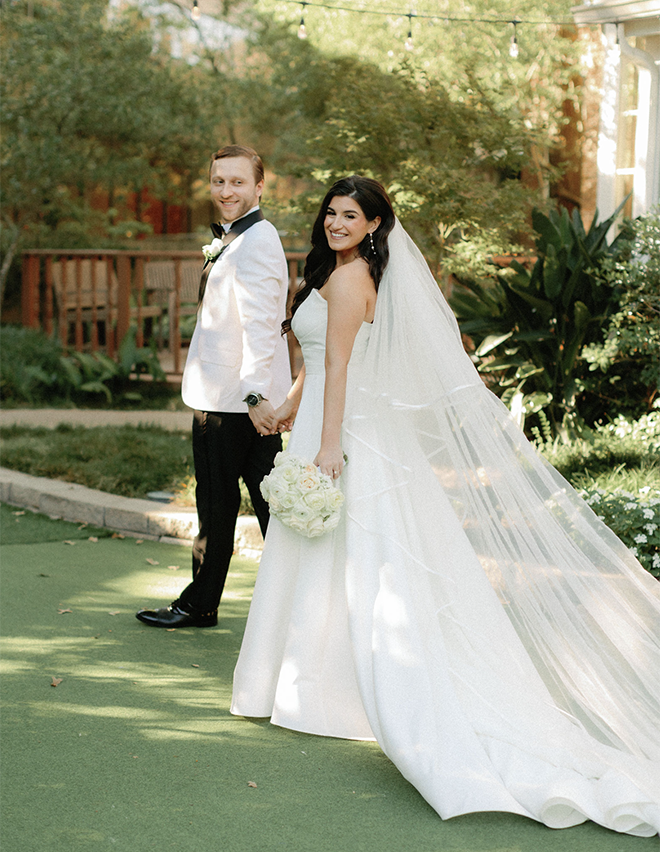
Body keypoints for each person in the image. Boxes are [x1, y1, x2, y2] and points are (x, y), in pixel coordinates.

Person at [231, 175, 660, 837]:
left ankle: (328, 693)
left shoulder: (349, 282)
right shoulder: (335, 272)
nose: (335, 223)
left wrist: (326, 446)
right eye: (330, 213)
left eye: (350, 215)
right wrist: (287, 409)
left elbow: (344, 368)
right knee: (328, 555)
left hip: (343, 433)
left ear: (375, 226)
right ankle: (314, 690)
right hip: (324, 421)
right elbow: (317, 363)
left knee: (360, 559)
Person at [136, 145, 290, 629]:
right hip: (238, 396)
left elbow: (265, 324)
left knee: (221, 504)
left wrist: (252, 395)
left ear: (260, 187)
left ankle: (202, 604)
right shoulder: (237, 239)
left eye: (238, 182)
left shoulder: (258, 241)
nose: (226, 191)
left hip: (233, 401)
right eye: (219, 181)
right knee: (269, 505)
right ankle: (295, 602)